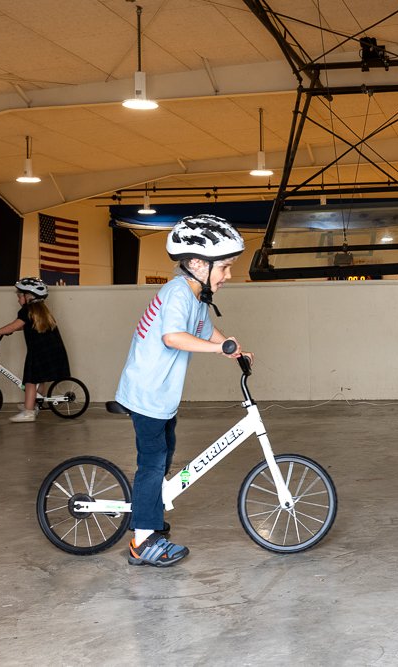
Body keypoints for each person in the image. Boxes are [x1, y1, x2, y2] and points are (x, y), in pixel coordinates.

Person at [115, 214, 251, 567]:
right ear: (197, 263)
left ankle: (150, 513)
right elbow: (172, 337)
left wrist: (232, 348)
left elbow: (204, 330)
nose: (228, 275)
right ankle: (143, 540)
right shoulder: (177, 293)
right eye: (225, 267)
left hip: (162, 395)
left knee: (163, 458)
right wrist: (218, 349)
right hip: (147, 392)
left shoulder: (196, 296)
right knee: (152, 463)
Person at [0, 277, 70, 423]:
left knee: (30, 381)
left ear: (28, 297)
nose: (18, 299)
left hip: (39, 352)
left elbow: (13, 326)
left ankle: (29, 412)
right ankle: (35, 404)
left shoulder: (26, 311)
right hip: (53, 350)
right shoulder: (41, 310)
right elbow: (27, 326)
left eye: (20, 296)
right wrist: (10, 331)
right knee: (40, 379)